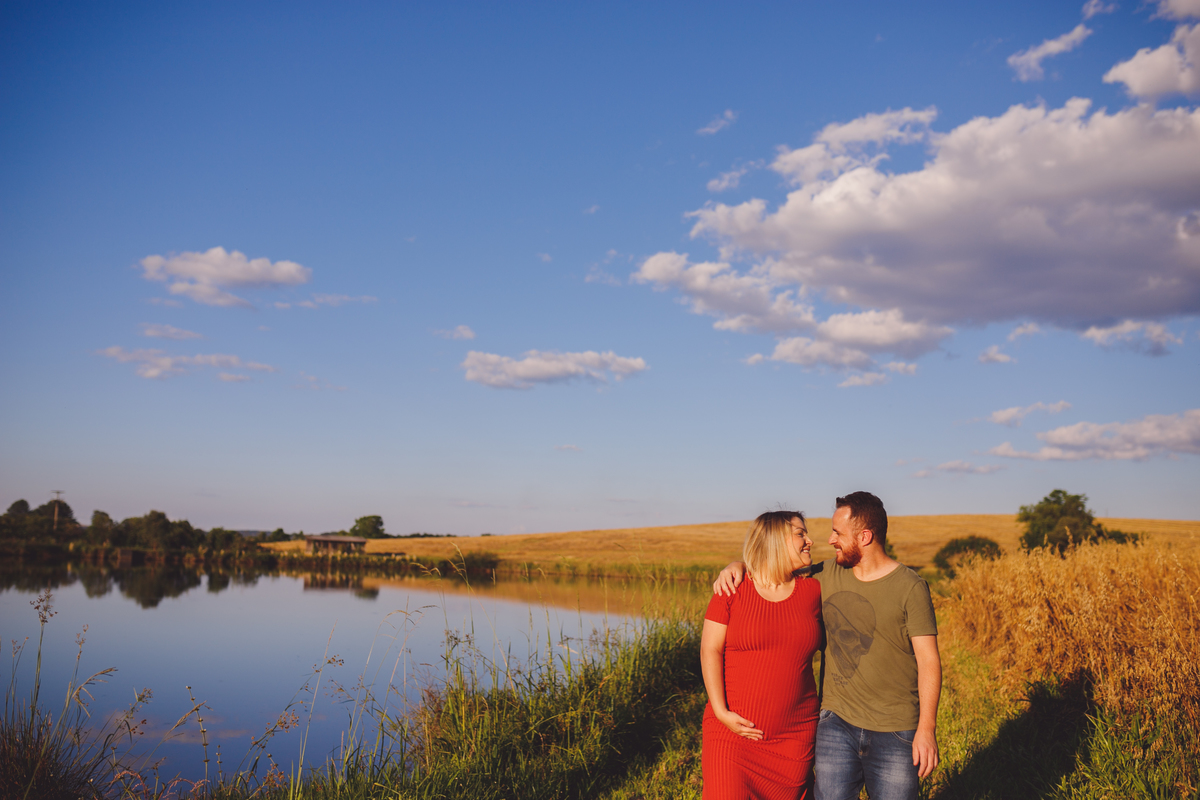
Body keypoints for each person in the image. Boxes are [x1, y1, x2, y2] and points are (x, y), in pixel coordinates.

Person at [713, 492, 940, 800]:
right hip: (836, 724)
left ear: (864, 536)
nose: (829, 540)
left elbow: (928, 661)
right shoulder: (825, 574)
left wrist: (926, 730)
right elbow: (772, 568)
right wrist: (737, 565)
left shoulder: (910, 587)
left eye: (838, 533)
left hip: (896, 730)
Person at [701, 510, 822, 800]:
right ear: (775, 540)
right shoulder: (732, 588)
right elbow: (710, 649)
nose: (810, 541)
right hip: (732, 734)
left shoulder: (814, 590)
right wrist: (721, 712)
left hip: (795, 738)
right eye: (800, 534)